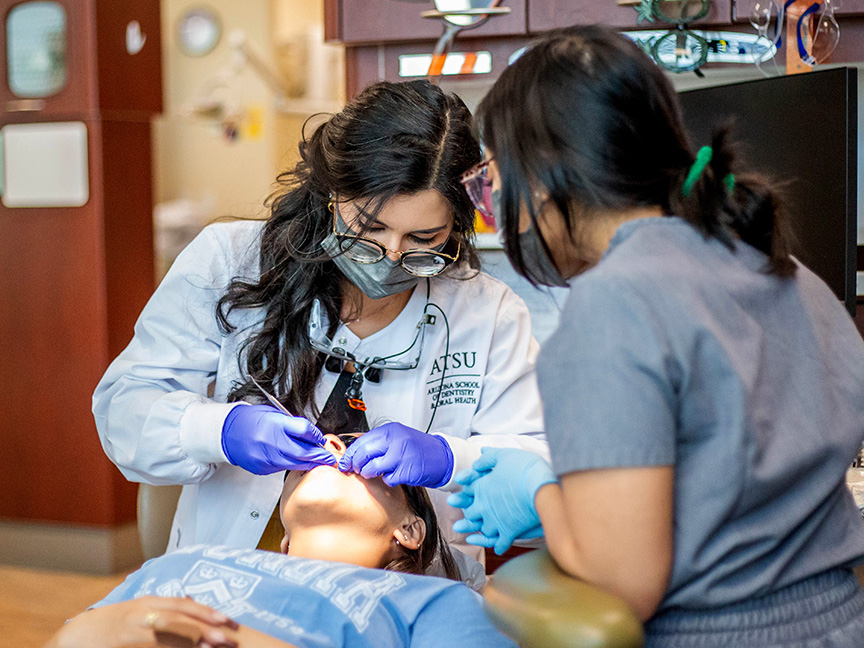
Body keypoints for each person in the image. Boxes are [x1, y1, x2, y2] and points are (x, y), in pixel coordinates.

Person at [448, 25, 864, 648]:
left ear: (539, 179)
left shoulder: (613, 305)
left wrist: (541, 493)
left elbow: (622, 580)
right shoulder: (781, 267)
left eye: (494, 190)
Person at [92, 79, 547, 573]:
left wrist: (447, 458)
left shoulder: (487, 312)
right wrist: (222, 431)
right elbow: (124, 412)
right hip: (224, 580)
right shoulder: (229, 262)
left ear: (457, 227)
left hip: (414, 593)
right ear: (330, 194)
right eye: (368, 227)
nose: (391, 254)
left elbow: (540, 464)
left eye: (423, 237)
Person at [45, 434, 517, 648]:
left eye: (365, 454)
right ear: (284, 537)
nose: (334, 446)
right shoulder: (181, 563)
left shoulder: (439, 602)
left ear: (410, 531)